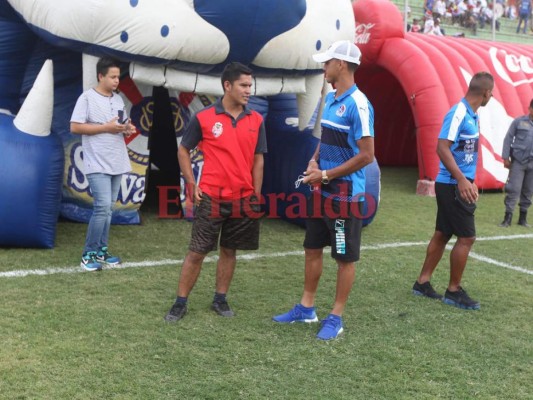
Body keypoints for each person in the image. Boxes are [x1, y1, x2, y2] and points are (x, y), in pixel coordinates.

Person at [272, 40, 375, 340]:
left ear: (340, 65)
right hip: (322, 192)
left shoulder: (359, 104)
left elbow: (367, 154)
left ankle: (336, 316)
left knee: (344, 258)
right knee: (312, 248)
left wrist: (326, 174)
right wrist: (315, 158)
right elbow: (328, 137)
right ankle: (307, 308)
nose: (323, 67)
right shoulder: (331, 98)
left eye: (327, 62)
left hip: (345, 197)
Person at [164, 62, 267, 322]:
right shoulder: (204, 118)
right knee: (197, 252)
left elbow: (258, 159)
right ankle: (180, 302)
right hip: (211, 196)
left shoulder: (256, 120)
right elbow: (183, 150)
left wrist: (256, 193)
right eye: (244, 85)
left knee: (229, 250)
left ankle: (220, 299)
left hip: (242, 199)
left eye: (250, 85)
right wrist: (190, 183)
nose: (248, 90)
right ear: (227, 86)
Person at [412, 71, 494, 310]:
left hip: (457, 183)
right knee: (467, 237)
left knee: (443, 233)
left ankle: (422, 283)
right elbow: (441, 147)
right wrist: (461, 180)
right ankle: (454, 291)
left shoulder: (472, 114)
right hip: (452, 185)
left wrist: (470, 178)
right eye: (492, 93)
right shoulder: (458, 112)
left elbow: (464, 152)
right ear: (486, 93)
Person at [70, 57, 136, 272]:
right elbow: (75, 127)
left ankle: (101, 251)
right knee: (101, 208)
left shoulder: (118, 100)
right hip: (96, 162)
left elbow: (120, 124)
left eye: (118, 76)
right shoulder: (86, 98)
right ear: (101, 76)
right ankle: (87, 255)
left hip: (116, 160)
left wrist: (127, 128)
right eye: (113, 77)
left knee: (108, 210)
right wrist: (106, 128)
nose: (117, 80)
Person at [499, 99, 533, 228]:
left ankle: (522, 218)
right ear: (530, 108)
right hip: (518, 161)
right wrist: (505, 157)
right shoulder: (519, 122)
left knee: (528, 191)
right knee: (513, 189)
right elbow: (508, 138)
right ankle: (507, 218)